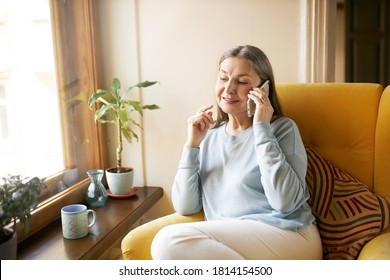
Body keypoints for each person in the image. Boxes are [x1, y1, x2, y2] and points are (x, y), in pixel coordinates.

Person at [151, 45, 322, 260]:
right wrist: (192, 145)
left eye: (242, 82)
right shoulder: (208, 137)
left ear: (264, 89)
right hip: (234, 245)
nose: (229, 89)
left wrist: (262, 128)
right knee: (167, 244)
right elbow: (186, 206)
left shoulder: (282, 129)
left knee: (167, 242)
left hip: (290, 235)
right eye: (223, 78)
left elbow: (284, 201)